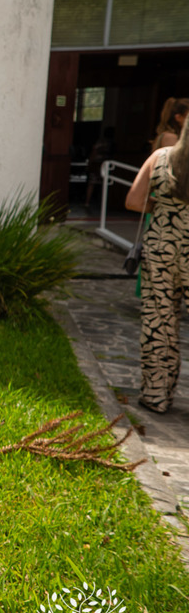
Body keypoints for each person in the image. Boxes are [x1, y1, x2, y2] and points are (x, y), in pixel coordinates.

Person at [126, 118, 189, 413]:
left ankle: (156, 395)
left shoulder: (160, 158)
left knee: (158, 322)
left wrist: (162, 207)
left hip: (160, 248)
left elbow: (134, 201)